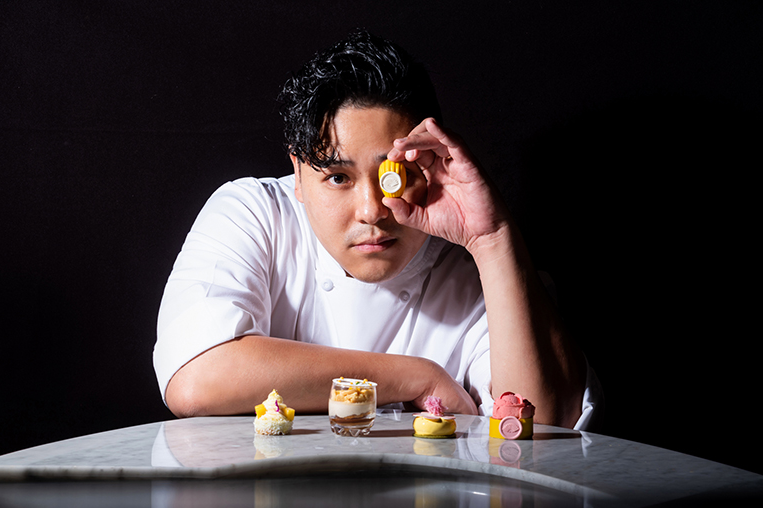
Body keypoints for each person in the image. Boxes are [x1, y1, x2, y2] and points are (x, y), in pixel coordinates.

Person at [153, 30, 601, 429]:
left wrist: (492, 239)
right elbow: (195, 379)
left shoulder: (471, 263)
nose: (372, 211)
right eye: (338, 177)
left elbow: (546, 428)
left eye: (394, 174)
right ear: (298, 173)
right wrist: (415, 376)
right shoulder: (255, 213)